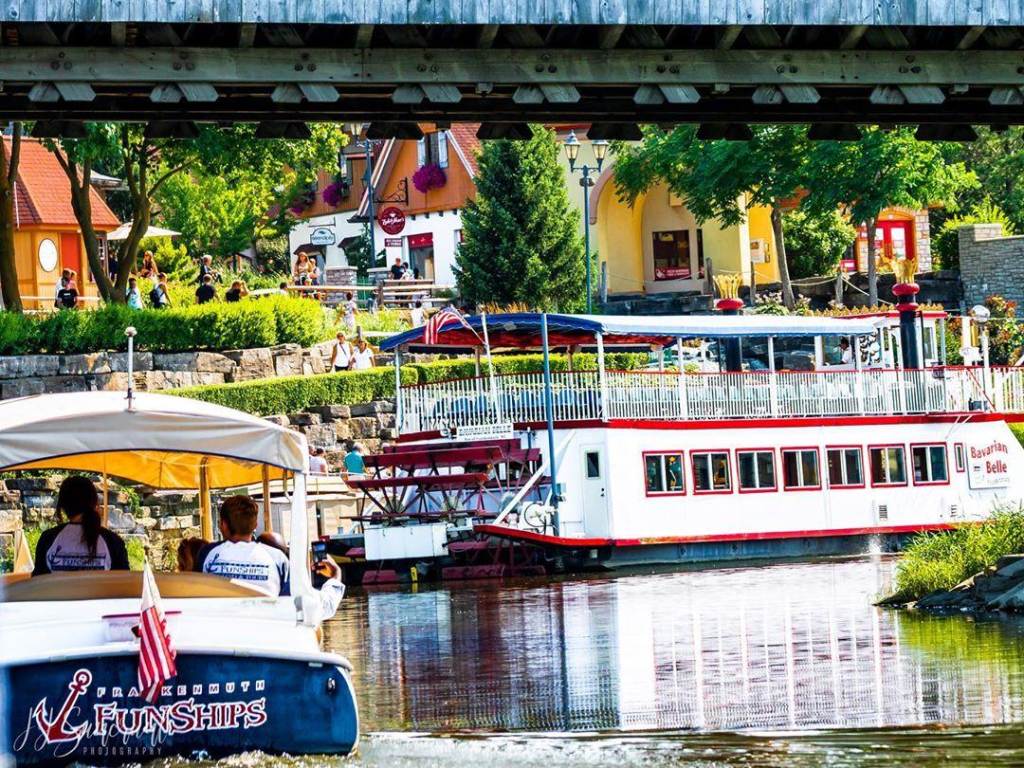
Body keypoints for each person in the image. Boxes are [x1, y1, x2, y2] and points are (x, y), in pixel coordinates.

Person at [195, 496, 343, 610]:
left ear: (223, 525)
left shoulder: (207, 554)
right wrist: (336, 576)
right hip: (266, 640)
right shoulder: (276, 559)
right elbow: (312, 606)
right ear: (255, 525)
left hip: (218, 640)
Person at [32, 476, 131, 575]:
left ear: (62, 506)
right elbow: (124, 585)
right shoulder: (113, 542)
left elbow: (38, 584)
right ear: (94, 502)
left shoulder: (47, 539)